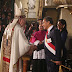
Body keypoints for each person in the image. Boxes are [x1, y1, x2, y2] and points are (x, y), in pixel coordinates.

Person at [1, 3, 36, 72]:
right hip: (13, 57)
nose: (25, 21)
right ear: (20, 19)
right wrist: (32, 47)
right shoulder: (18, 29)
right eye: (24, 19)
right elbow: (24, 47)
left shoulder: (8, 27)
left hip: (6, 57)